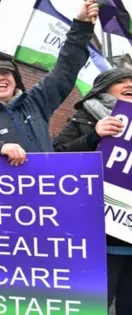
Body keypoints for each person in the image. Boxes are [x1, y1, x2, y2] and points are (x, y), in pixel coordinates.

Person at [0, 0, 100, 165]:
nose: (0, 78)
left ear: (16, 81)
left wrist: (81, 26)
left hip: (46, 186)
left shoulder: (36, 101)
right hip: (4, 190)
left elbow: (65, 69)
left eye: (5, 73)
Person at [53, 68, 132, 312]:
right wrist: (93, 137)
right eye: (122, 80)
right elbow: (55, 161)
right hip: (96, 237)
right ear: (103, 87)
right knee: (94, 306)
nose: (130, 84)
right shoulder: (83, 119)